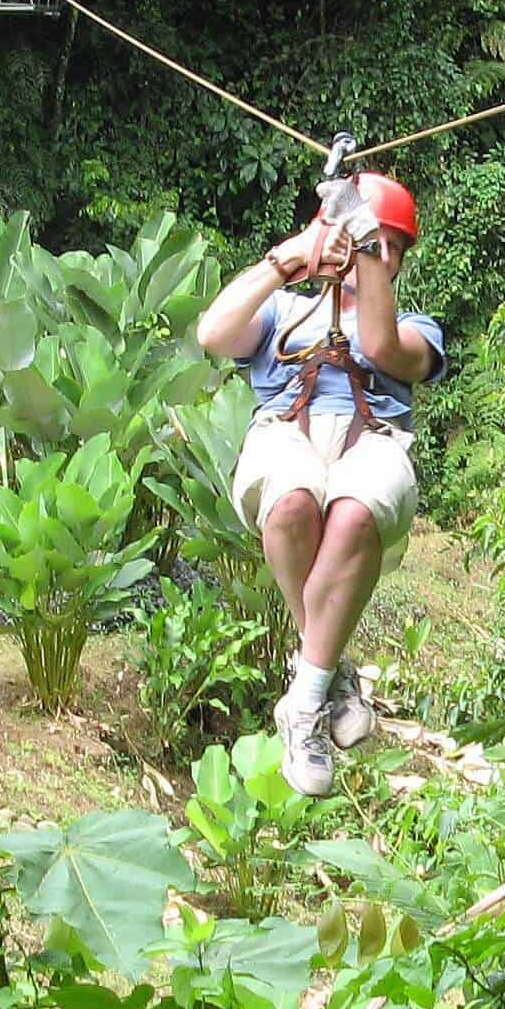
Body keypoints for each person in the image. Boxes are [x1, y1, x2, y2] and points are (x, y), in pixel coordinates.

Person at [192, 172, 442, 794]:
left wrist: (363, 244)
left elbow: (383, 348)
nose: (367, 254)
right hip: (287, 431)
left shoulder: (418, 329)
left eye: (386, 248)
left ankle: (302, 705)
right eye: (361, 239)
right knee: (292, 502)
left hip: (372, 441)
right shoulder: (282, 309)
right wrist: (290, 260)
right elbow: (213, 334)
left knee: (356, 511)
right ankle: (332, 670)